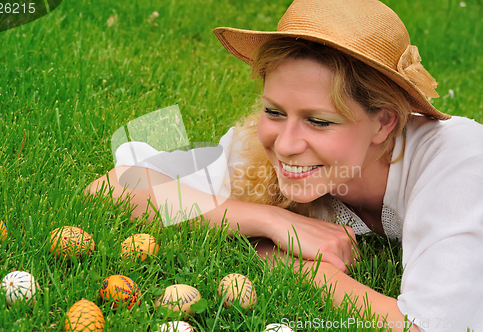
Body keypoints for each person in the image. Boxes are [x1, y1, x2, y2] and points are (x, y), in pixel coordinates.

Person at [86, 0, 483, 330]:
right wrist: (271, 222)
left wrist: (303, 270)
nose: (287, 145)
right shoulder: (264, 152)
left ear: (383, 122)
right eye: (274, 112)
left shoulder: (460, 165)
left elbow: (431, 326)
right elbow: (114, 186)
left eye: (319, 121)